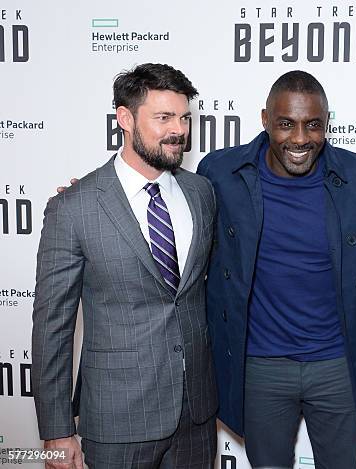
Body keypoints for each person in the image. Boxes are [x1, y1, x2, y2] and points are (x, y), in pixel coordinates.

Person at [196, 70, 356, 469]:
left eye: (312, 125)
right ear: (265, 120)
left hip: (337, 364)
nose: (300, 139)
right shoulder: (221, 173)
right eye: (286, 124)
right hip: (260, 366)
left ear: (326, 123)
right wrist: (97, 195)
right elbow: (169, 205)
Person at [32, 63, 218, 469]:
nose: (179, 131)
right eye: (164, 117)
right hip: (117, 421)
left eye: (185, 117)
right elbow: (52, 327)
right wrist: (57, 432)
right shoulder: (74, 208)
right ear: (125, 119)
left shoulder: (202, 193)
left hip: (196, 417)